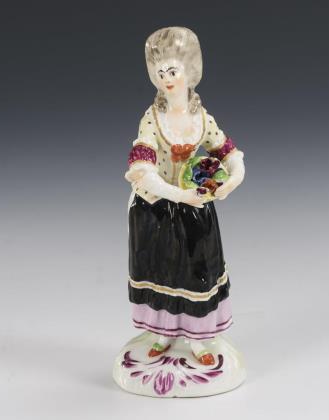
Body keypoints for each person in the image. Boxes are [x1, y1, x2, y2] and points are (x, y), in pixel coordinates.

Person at [124, 27, 245, 365]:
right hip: (156, 208)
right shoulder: (152, 119)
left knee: (196, 272)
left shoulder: (201, 118)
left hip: (194, 211)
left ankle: (197, 339)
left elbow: (229, 152)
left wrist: (234, 178)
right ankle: (162, 333)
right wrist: (179, 194)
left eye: (173, 71)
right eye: (160, 72)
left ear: (190, 71)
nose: (166, 79)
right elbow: (144, 171)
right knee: (160, 272)